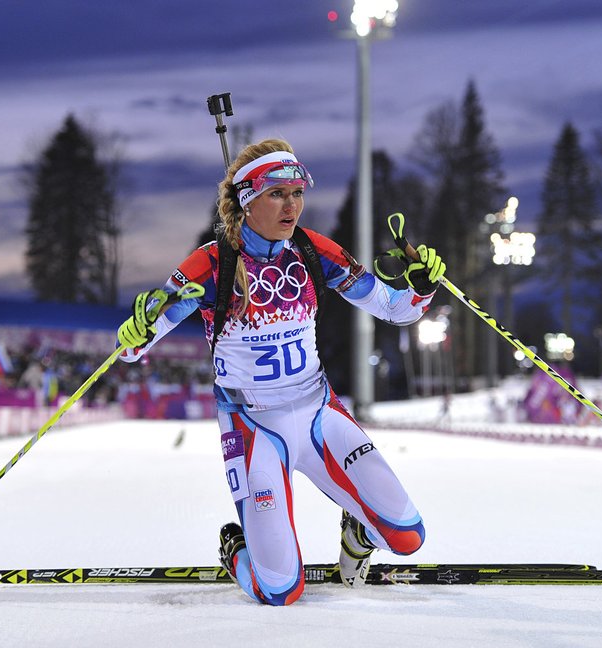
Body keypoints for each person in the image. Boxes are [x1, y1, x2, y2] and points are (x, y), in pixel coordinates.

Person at [116, 139, 446, 606]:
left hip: (318, 412)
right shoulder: (212, 263)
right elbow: (133, 347)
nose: (291, 205)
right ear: (248, 199)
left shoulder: (313, 250)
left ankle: (356, 531)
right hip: (254, 427)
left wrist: (420, 289)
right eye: (277, 193)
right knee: (280, 591)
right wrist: (137, 331)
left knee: (409, 536)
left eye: (298, 192)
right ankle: (236, 549)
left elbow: (396, 311)